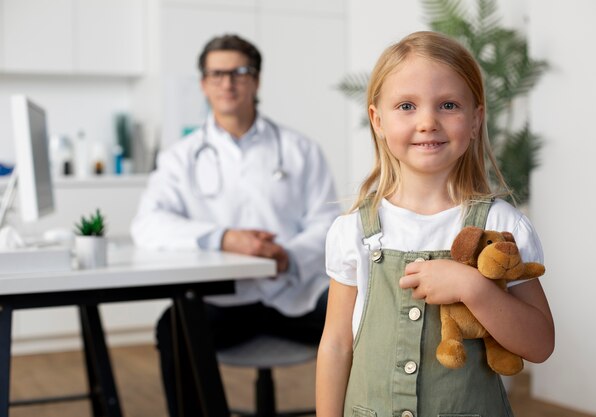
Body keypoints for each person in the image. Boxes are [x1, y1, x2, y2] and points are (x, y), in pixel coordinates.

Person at [316, 31, 554, 417]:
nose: (427, 122)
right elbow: (336, 345)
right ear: (377, 120)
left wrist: (473, 287)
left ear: (476, 119)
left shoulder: (502, 224)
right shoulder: (353, 231)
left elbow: (540, 343)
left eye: (447, 105)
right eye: (407, 106)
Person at [131, 34, 339, 416]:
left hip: (295, 293)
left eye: (239, 73)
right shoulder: (181, 158)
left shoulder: (300, 149)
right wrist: (222, 237)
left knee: (361, 320)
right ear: (204, 83)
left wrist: (286, 257)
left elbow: (329, 223)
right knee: (173, 332)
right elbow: (148, 223)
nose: (227, 83)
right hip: (220, 301)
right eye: (217, 74)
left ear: (256, 81)